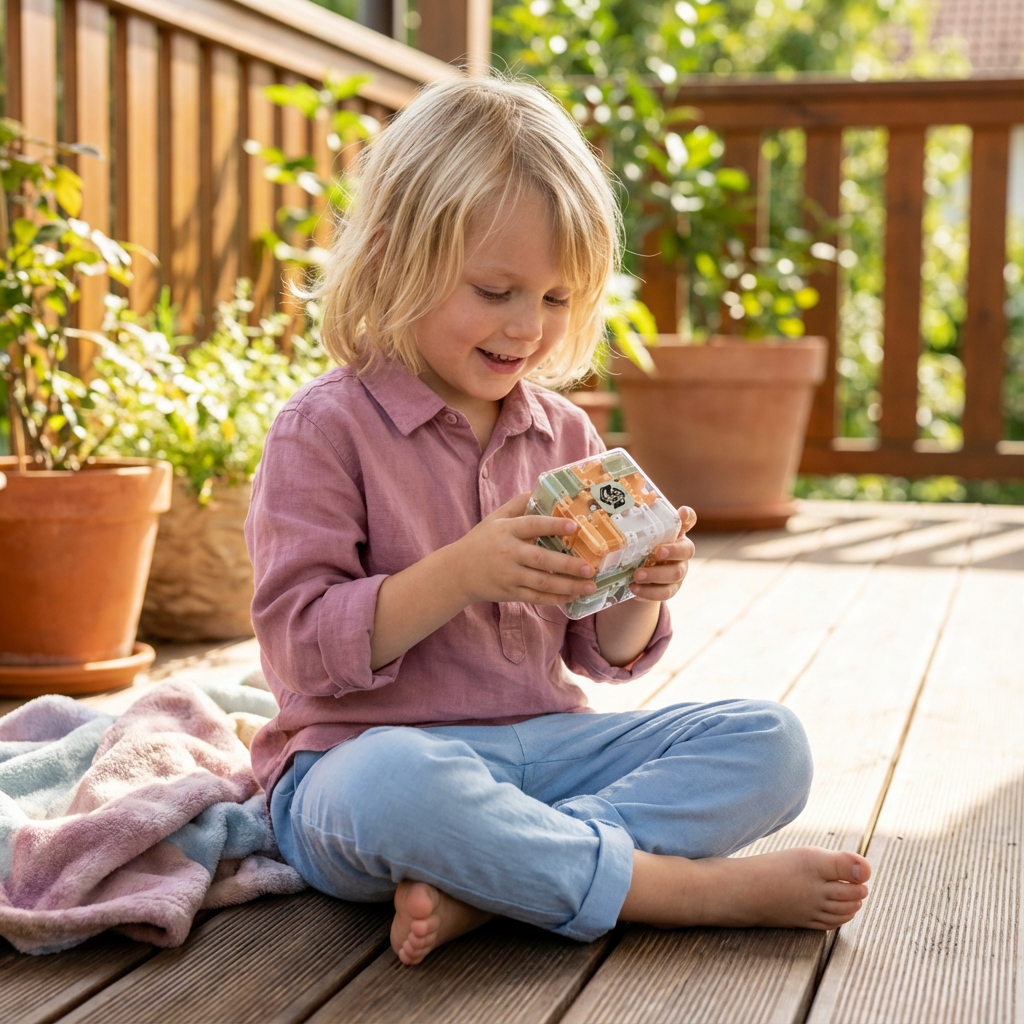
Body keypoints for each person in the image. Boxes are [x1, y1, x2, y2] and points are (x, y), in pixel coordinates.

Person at [245, 76, 870, 967]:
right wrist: (462, 572)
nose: (527, 328)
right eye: (496, 290)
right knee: (396, 787)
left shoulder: (564, 433)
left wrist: (641, 594)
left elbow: (596, 654)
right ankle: (670, 891)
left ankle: (497, 884)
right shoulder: (324, 429)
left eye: (556, 297)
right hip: (362, 759)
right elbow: (298, 649)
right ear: (393, 258)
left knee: (772, 743)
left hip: (546, 747)